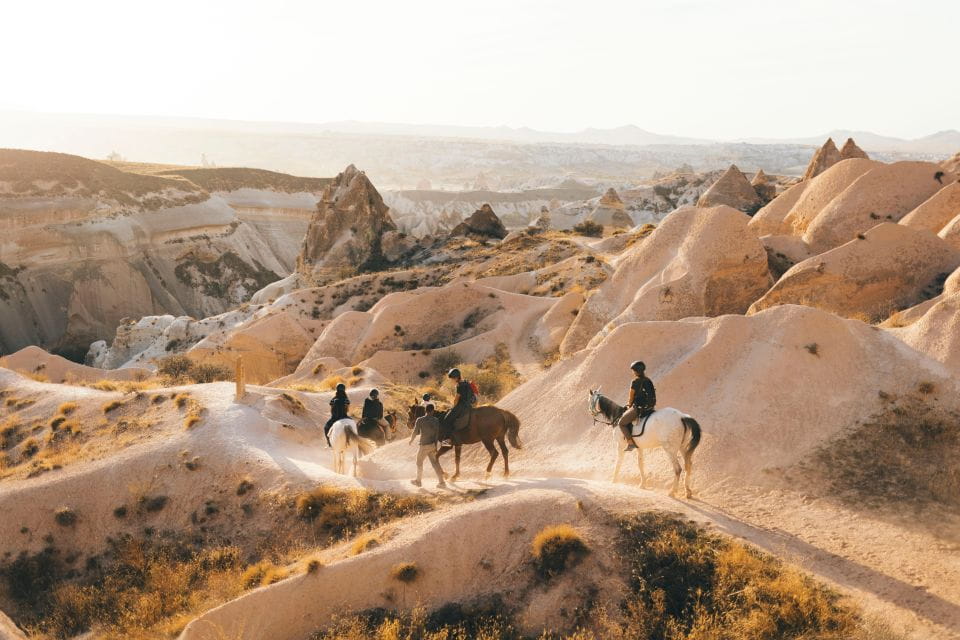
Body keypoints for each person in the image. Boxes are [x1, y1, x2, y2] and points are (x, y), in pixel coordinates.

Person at [617, 361, 656, 452]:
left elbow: (631, 398)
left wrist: (628, 405)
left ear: (635, 371)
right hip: (650, 408)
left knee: (621, 423)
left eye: (633, 370)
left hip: (639, 409)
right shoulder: (648, 380)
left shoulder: (635, 381)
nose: (633, 372)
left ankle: (630, 443)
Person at [409, 403, 446, 488]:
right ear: (433, 411)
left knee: (419, 462)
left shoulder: (420, 420)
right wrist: (435, 446)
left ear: (425, 410)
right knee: (435, 464)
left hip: (424, 446)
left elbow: (415, 432)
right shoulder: (436, 420)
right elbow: (437, 435)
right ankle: (442, 482)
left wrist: (411, 440)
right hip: (432, 445)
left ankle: (418, 481)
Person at [442, 368, 474, 438]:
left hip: (461, 407)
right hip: (469, 405)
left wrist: (453, 407)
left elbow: (456, 400)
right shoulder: (466, 382)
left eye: (452, 378)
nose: (451, 380)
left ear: (456, 377)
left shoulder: (459, 385)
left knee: (446, 420)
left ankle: (447, 441)